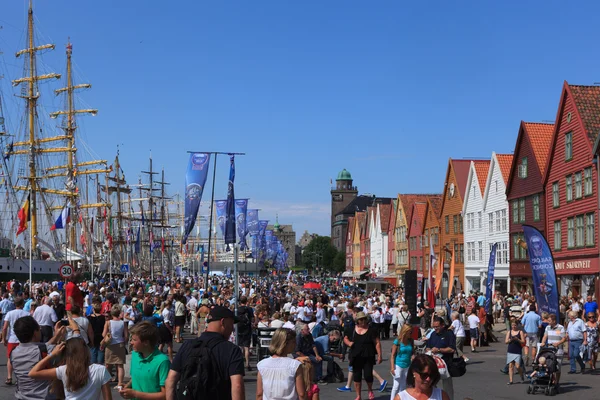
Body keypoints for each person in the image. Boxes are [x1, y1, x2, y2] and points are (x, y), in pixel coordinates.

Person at [165, 305, 245, 400]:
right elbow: (237, 385)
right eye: (231, 324)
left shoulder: (188, 345)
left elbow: (170, 380)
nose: (232, 329)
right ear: (222, 322)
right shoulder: (231, 350)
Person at [28, 320, 112, 400]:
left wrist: (52, 354)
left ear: (67, 354)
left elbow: (32, 373)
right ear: (86, 350)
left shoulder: (64, 370)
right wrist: (76, 329)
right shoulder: (101, 370)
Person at [11, 316, 65, 399]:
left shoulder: (13, 352)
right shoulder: (46, 350)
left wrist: (56, 336)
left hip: (22, 396)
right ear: (35, 333)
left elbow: (43, 347)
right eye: (39, 328)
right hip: (44, 397)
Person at [118, 321, 170, 399]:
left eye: (134, 340)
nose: (131, 342)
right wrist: (127, 385)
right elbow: (135, 378)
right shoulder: (135, 355)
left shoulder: (162, 361)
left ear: (146, 342)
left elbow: (165, 395)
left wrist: (135, 394)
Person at [256, 328, 306, 400]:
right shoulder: (295, 365)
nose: (295, 344)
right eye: (293, 342)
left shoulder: (262, 364)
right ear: (285, 344)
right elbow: (301, 394)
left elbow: (259, 394)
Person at [343, 311, 383, 400]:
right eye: (361, 320)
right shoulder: (352, 329)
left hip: (368, 355)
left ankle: (370, 390)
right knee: (357, 376)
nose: (363, 321)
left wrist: (380, 355)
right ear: (357, 321)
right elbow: (345, 338)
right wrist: (349, 343)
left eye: (364, 319)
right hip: (356, 356)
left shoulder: (372, 330)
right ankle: (358, 395)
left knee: (368, 375)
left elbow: (377, 343)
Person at [426, 317, 455, 400]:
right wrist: (429, 350)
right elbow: (428, 346)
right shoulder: (433, 334)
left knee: (447, 387)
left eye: (437, 327)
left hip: (446, 364)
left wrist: (439, 350)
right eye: (434, 327)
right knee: (431, 385)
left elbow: (452, 349)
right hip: (434, 363)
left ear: (442, 325)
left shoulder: (449, 334)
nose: (435, 329)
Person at [2, 296, 29, 385]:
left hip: (12, 339)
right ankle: (21, 378)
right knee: (23, 359)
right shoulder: (26, 314)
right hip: (23, 339)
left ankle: (9, 377)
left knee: (10, 358)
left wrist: (4, 338)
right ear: (22, 304)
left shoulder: (9, 313)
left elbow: (5, 328)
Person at [103, 304, 128, 388]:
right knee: (120, 365)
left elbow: (104, 334)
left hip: (110, 345)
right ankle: (120, 383)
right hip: (120, 344)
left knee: (108, 364)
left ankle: (106, 382)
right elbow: (126, 336)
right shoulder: (123, 323)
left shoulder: (108, 322)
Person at [541, 313, 566, 387]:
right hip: (549, 349)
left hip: (558, 350)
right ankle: (551, 380)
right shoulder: (548, 327)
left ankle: (557, 382)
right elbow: (545, 336)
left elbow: (564, 338)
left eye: (549, 321)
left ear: (554, 321)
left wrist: (558, 343)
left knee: (557, 367)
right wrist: (543, 342)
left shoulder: (560, 327)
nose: (548, 322)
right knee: (549, 365)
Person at [390, 324, 414, 400]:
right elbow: (393, 355)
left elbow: (412, 352)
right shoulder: (398, 341)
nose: (411, 334)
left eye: (411, 332)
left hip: (407, 365)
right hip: (398, 364)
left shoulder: (411, 341)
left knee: (403, 385)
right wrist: (392, 367)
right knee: (396, 385)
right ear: (405, 332)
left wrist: (413, 357)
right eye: (409, 332)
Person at [505, 319, 525, 385]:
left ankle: (521, 376)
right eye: (512, 325)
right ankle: (511, 380)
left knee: (517, 366)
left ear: (517, 325)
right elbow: (506, 341)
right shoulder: (509, 332)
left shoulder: (520, 332)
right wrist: (510, 340)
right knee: (510, 366)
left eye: (515, 325)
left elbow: (523, 341)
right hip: (510, 350)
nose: (513, 326)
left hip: (517, 350)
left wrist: (518, 339)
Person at [237, 296, 254, 371]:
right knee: (247, 347)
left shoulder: (237, 309)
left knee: (240, 347)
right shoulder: (249, 309)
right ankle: (247, 363)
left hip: (239, 329)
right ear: (246, 301)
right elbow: (252, 319)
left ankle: (240, 363)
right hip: (247, 328)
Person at [88, 298, 106, 365]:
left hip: (92, 337)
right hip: (101, 337)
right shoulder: (103, 318)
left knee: (93, 354)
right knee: (101, 353)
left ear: (93, 309)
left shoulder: (89, 318)